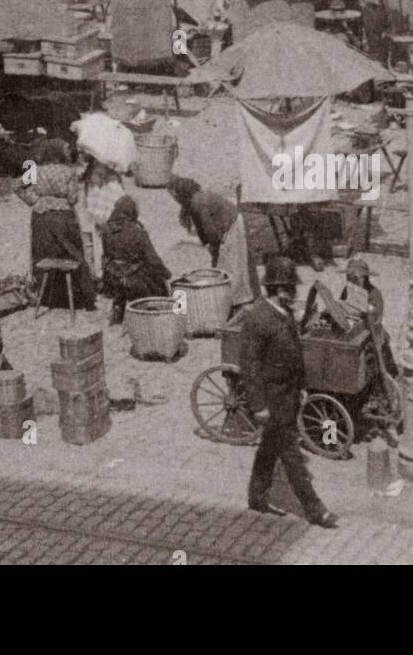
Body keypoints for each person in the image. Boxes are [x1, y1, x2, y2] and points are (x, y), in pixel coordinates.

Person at [238, 254, 339, 528]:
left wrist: (303, 387)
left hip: (288, 394)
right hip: (272, 399)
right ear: (277, 288)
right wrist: (258, 405)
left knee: (268, 449)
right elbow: (249, 366)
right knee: (292, 457)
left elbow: (296, 353)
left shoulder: (284, 314)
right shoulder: (258, 319)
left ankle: (257, 497)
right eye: (289, 288)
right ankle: (316, 510)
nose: (294, 293)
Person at [16, 162, 96, 311]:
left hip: (41, 215)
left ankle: (44, 294)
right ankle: (70, 295)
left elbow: (17, 187)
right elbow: (72, 198)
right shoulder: (68, 171)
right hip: (64, 216)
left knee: (42, 252)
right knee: (71, 252)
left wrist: (36, 200)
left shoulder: (36, 170)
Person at [170, 176, 260, 308]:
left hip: (232, 225)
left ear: (181, 192)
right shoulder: (194, 201)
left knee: (233, 265)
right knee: (228, 265)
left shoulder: (199, 202)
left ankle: (238, 300)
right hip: (226, 226)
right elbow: (202, 231)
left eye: (175, 195)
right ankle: (235, 298)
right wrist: (209, 245)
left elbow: (210, 230)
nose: (175, 199)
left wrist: (214, 247)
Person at [99, 194, 171, 325]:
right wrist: (166, 274)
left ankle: (118, 310)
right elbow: (153, 260)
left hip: (112, 278)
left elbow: (106, 255)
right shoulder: (139, 233)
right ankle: (151, 313)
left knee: (124, 272)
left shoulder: (107, 230)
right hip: (134, 279)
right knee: (159, 280)